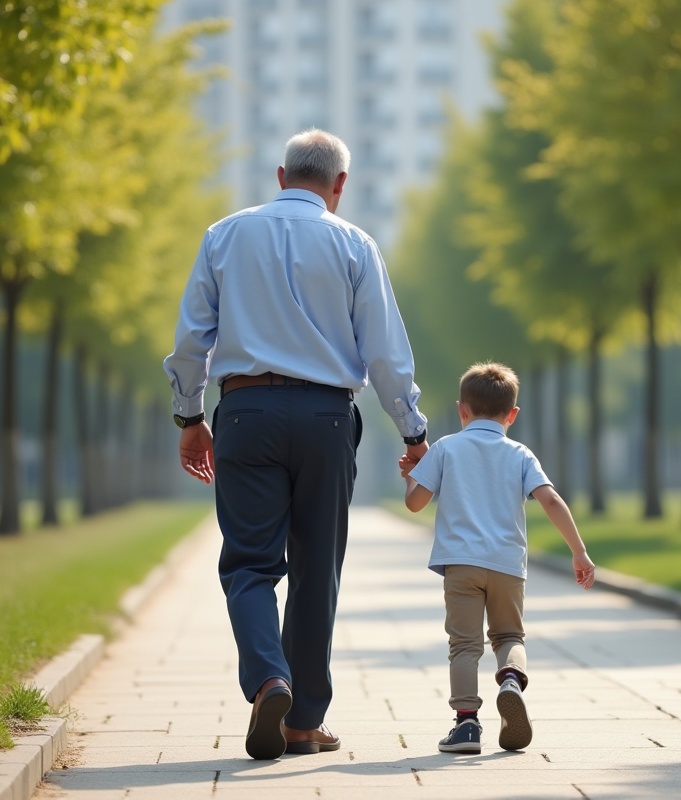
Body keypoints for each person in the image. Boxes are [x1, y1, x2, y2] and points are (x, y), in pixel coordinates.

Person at [163, 129, 429, 760]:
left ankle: (268, 678)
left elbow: (190, 339)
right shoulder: (356, 244)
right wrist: (413, 431)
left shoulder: (223, 235)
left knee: (250, 562)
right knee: (317, 571)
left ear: (281, 176)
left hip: (246, 412)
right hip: (328, 418)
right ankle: (304, 722)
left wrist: (189, 418)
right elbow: (387, 352)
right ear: (339, 187)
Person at [399, 362, 595, 754]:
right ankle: (510, 678)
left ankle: (467, 726)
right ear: (513, 414)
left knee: (464, 645)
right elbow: (551, 500)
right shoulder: (520, 453)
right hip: (507, 565)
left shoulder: (445, 448)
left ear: (461, 409)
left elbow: (415, 504)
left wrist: (413, 475)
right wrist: (579, 552)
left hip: (461, 565)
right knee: (509, 636)